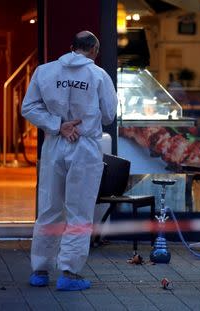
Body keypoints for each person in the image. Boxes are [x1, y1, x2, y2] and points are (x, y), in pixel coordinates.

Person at [21, 31, 117, 291]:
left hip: (54, 144)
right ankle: (69, 273)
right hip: (85, 147)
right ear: (95, 51)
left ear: (71, 47)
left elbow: (28, 107)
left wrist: (58, 125)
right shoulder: (98, 75)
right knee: (79, 211)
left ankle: (40, 270)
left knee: (49, 208)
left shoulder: (45, 71)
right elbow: (109, 115)